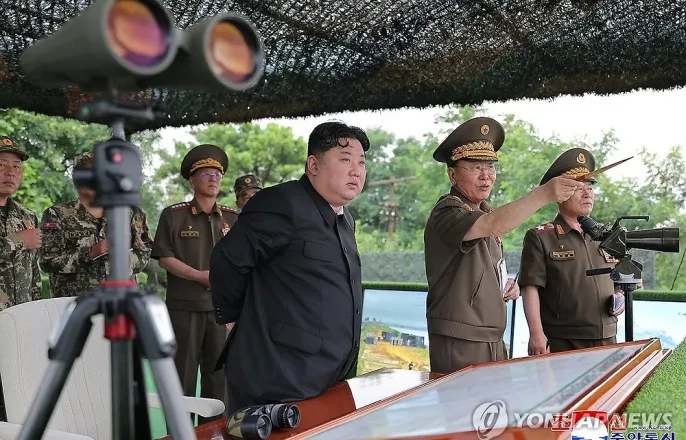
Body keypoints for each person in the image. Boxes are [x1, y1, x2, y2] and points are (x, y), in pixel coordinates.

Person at [210, 121, 369, 414]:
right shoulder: (282, 202)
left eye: (361, 162)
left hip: (331, 375)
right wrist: (238, 319)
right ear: (314, 165)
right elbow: (227, 260)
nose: (356, 170)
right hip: (280, 376)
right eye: (345, 159)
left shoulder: (345, 219)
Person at [424, 117, 585, 374]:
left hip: (492, 336)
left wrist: (504, 285)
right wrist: (544, 193)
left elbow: (483, 262)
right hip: (461, 339)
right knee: (463, 400)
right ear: (452, 174)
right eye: (475, 167)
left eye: (490, 167)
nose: (486, 176)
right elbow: (494, 225)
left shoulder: (484, 211)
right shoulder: (449, 210)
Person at [151, 144, 238, 423]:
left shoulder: (233, 218)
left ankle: (213, 436)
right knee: (182, 380)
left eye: (217, 174)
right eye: (206, 174)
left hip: (221, 312)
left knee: (219, 382)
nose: (213, 179)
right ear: (192, 180)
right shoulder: (174, 215)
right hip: (184, 310)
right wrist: (198, 275)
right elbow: (164, 257)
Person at [519, 148, 625, 355]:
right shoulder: (541, 237)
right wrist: (536, 334)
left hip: (607, 337)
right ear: (560, 196)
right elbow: (530, 288)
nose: (587, 194)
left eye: (590, 187)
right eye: (578, 188)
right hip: (563, 340)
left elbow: (620, 280)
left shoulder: (606, 235)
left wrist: (619, 296)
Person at [39, 152, 153, 298]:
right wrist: (91, 253)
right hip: (75, 303)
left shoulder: (131, 212)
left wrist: (126, 261)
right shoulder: (57, 215)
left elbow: (145, 251)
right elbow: (47, 262)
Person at [0, 136, 41, 311]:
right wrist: (16, 241)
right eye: (1, 164)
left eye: (16, 166)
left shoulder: (27, 216)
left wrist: (36, 311)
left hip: (21, 316)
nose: (10, 172)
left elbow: (34, 273)